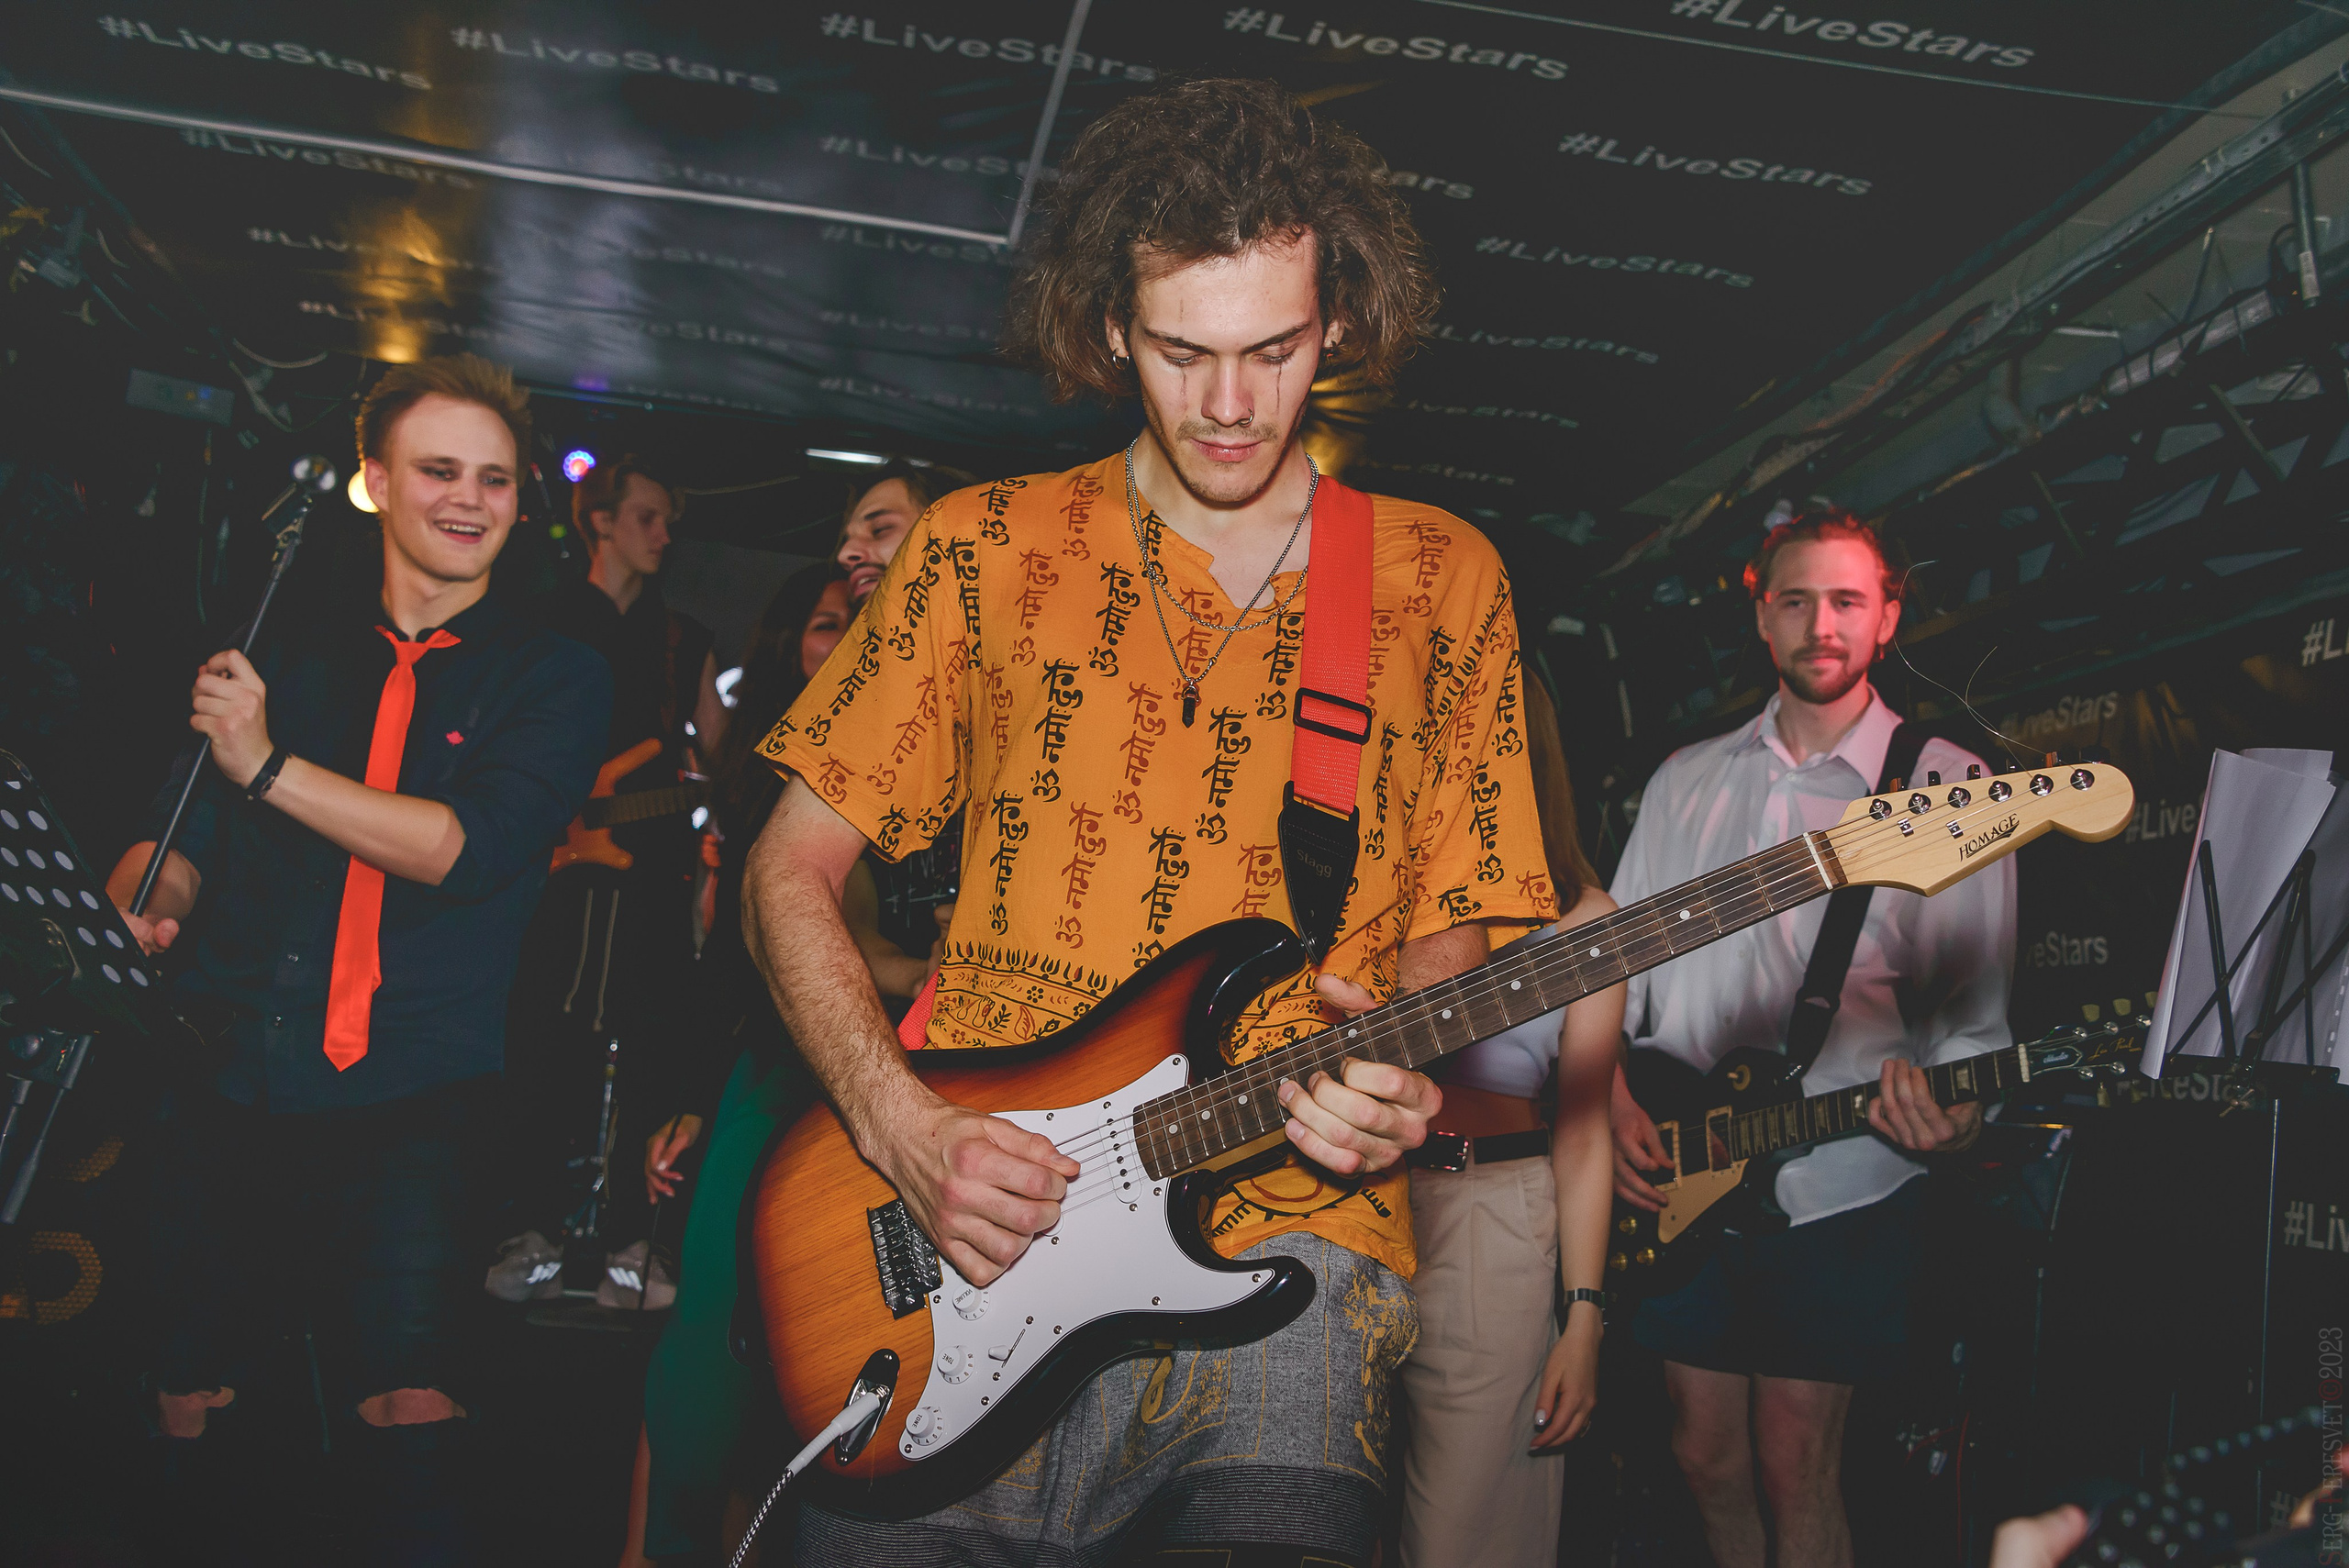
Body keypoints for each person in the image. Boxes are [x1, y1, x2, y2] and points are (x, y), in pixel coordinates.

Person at [744, 77, 1557, 1567]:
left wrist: (1396, 1064)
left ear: (1339, 326)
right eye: (1184, 351)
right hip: (969, 1232)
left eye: (1274, 350)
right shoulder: (980, 549)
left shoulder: (1442, 581)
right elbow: (787, 863)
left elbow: (1456, 914)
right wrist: (899, 1120)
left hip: (1296, 1241)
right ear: (1113, 327)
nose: (1231, 405)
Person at [106, 354, 608, 1565]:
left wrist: (269, 766)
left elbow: (461, 845)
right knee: (190, 1388)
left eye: (495, 477)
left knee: (410, 1399)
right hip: (229, 1068)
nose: (471, 497)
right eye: (439, 468)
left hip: (414, 1093)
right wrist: (142, 900)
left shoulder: (553, 672)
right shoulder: (283, 653)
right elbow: (177, 839)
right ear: (375, 482)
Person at [1607, 509, 2018, 1568]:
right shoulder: (1683, 780)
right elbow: (1611, 981)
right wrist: (1605, 1096)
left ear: (1885, 615)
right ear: (1761, 616)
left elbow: (1971, 1023)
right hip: (1683, 1170)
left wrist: (1956, 1109)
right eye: (1795, 599)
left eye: (1845, 600)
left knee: (1797, 1460)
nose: (1819, 623)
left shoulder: (1948, 785)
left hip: (1841, 1180)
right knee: (1701, 1453)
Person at [617, 464, 964, 1568]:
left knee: (856, 1382)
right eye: (848, 531)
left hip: (947, 1088)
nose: (854, 547)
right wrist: (692, 1100)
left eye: (880, 526)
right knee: (709, 1363)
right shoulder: (818, 731)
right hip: (787, 1072)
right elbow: (772, 946)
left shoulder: (1006, 700)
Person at [1396, 673, 1623, 1568]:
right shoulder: (1375, 886)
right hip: (1348, 1203)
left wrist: (1583, 1314)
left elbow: (1585, 1131)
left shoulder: (1584, 919)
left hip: (1490, 1218)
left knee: (1461, 1538)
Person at [497, 454, 719, 1307]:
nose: (664, 536)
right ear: (601, 521)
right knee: (545, 1040)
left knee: (656, 1037)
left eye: (668, 521)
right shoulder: (541, 622)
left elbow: (720, 752)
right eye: (647, 517)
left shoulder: (682, 638)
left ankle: (635, 1236)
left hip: (653, 873)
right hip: (554, 877)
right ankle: (529, 1228)